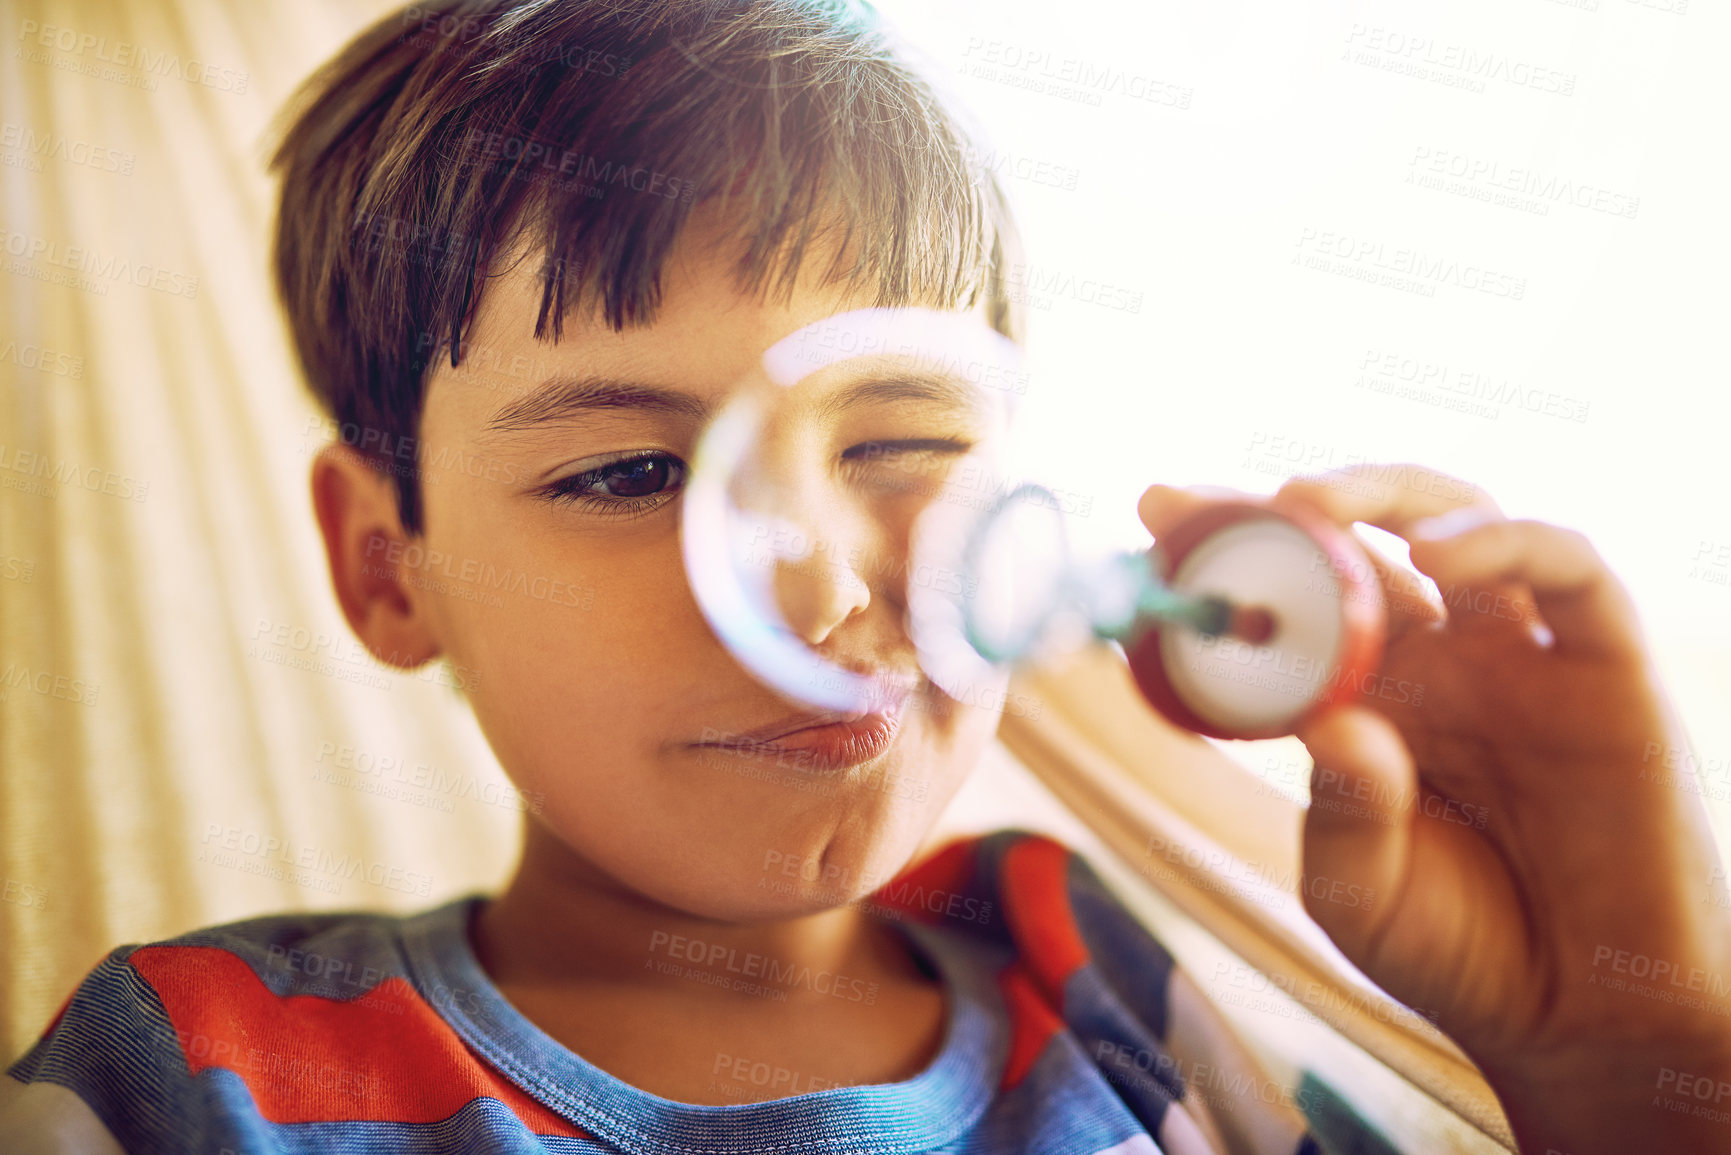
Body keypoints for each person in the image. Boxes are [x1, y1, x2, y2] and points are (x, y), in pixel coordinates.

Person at [5, 2, 1728, 1152]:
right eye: (628, 471)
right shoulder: (195, 1075)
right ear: (391, 571)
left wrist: (1609, 1045)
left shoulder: (1103, 981)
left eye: (902, 442)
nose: (828, 593)